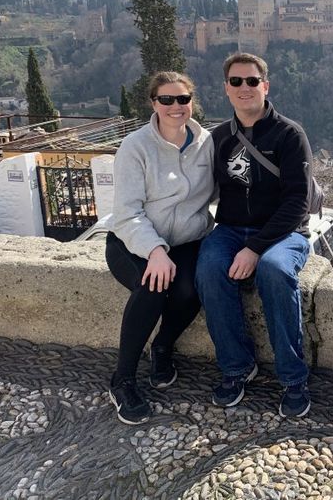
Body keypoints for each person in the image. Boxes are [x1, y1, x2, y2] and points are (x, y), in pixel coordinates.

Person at [195, 52, 313, 418]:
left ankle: (293, 377)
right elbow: (197, 189)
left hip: (284, 232)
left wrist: (255, 249)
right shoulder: (218, 138)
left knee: (274, 271)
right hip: (231, 228)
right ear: (226, 89)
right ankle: (236, 367)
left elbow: (298, 202)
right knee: (209, 269)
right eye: (236, 81)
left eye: (251, 80)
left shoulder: (290, 135)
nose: (244, 87)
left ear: (265, 86)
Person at [105, 71, 215, 425]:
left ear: (192, 102)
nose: (175, 106)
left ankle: (163, 345)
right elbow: (127, 213)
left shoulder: (207, 143)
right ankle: (122, 379)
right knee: (153, 285)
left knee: (193, 287)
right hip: (134, 241)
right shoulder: (135, 147)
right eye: (166, 99)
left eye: (182, 99)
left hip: (186, 241)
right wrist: (155, 250)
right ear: (154, 103)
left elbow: (224, 189)